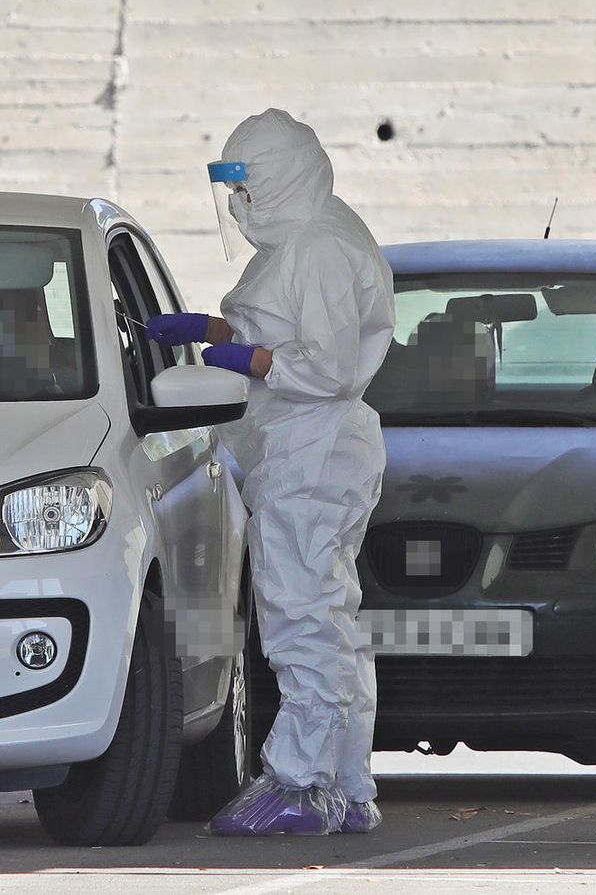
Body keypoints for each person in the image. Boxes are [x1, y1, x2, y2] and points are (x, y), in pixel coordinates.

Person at [146, 109, 395, 836]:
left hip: (309, 453)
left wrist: (239, 359)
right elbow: (281, 332)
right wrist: (210, 331)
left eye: (246, 188)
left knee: (301, 616)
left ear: (279, 181)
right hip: (317, 451)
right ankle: (346, 783)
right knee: (333, 618)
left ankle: (300, 779)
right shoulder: (311, 235)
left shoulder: (318, 245)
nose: (238, 205)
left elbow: (323, 367)